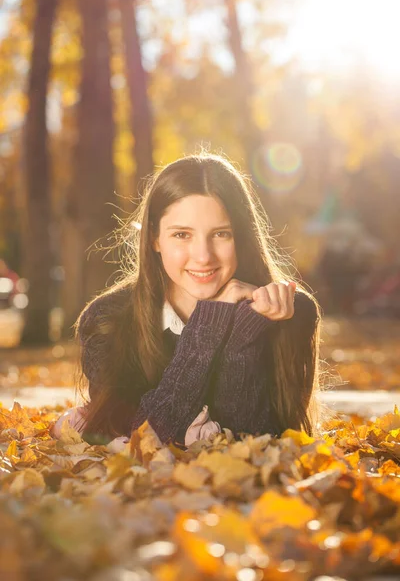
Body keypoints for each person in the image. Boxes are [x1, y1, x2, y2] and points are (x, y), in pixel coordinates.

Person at [53, 152, 327, 448]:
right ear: (155, 238)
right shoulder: (107, 320)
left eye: (221, 234)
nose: (203, 256)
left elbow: (255, 444)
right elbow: (143, 439)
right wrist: (209, 325)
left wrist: (243, 336)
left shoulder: (288, 311)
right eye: (182, 235)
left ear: (242, 236)